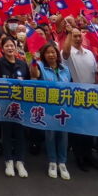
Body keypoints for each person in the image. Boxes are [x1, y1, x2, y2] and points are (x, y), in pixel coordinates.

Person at [61, 25, 98, 171]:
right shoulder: (67, 53)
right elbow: (65, 53)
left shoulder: (89, 53)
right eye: (74, 36)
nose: (77, 38)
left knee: (89, 128)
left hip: (91, 94)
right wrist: (69, 33)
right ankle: (80, 157)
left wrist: (96, 89)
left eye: (79, 36)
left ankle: (89, 155)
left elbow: (95, 73)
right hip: (76, 95)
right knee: (77, 128)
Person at [31, 42, 72, 180]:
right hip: (48, 108)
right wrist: (33, 61)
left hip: (63, 108)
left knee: (63, 136)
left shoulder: (65, 69)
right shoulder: (41, 67)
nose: (51, 54)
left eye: (53, 52)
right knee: (50, 135)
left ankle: (62, 163)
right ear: (44, 55)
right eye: (48, 52)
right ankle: (52, 162)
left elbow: (71, 87)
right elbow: (34, 74)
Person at [0, 35, 29, 179]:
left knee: (20, 133)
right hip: (5, 105)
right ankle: (8, 160)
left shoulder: (22, 63)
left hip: (20, 105)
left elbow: (30, 80)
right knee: (6, 133)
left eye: (12, 45)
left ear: (15, 47)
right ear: (2, 49)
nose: (10, 48)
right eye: (6, 46)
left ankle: (20, 161)